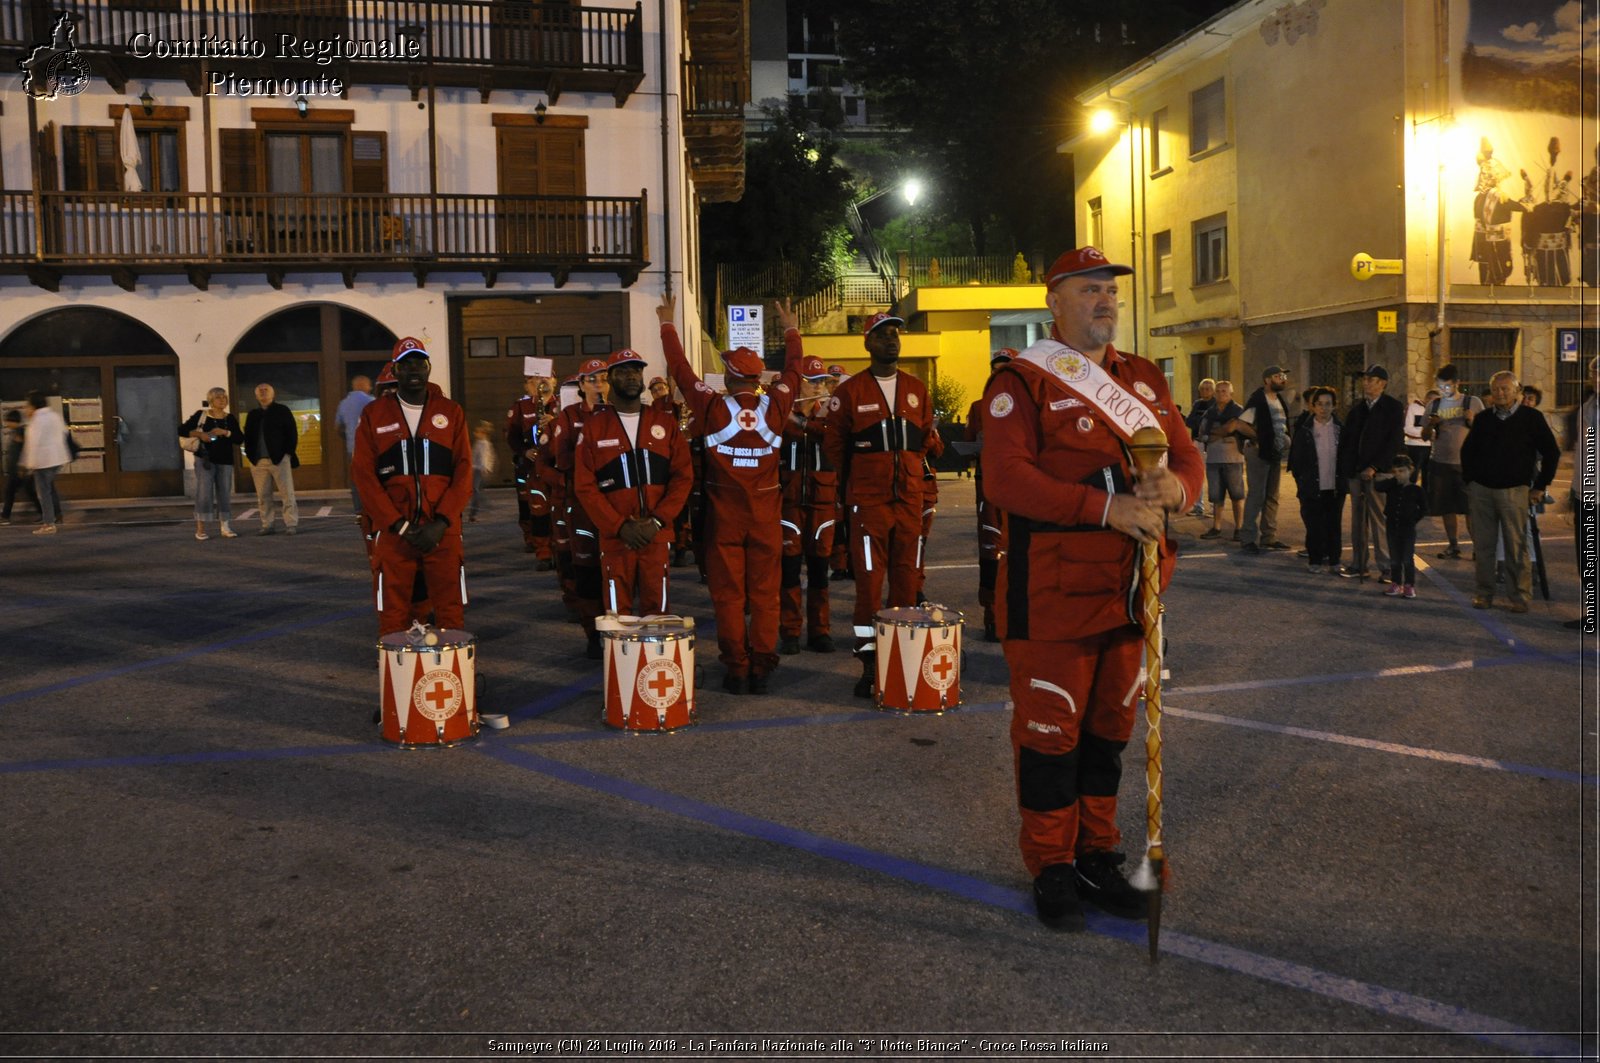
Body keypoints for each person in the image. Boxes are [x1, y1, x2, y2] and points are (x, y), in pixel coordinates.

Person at [981, 247, 1204, 931]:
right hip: (1052, 594)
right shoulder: (1022, 383)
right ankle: (1051, 864)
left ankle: (1096, 852)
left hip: (1133, 592)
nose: (1106, 301)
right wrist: (1105, 509)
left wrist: (1181, 488)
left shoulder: (1140, 377)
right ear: (1055, 300)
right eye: (1089, 290)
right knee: (1051, 732)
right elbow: (1006, 479)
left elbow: (1186, 453)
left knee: (1109, 730)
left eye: (1110, 291)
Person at [659, 294, 803, 695]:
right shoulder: (776, 403)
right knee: (765, 594)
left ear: (728, 375)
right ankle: (763, 663)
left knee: (728, 596)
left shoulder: (711, 407)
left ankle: (737, 669)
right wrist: (792, 330)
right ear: (757, 378)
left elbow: (682, 371)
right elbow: (793, 372)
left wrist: (668, 324)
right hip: (765, 517)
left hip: (723, 518)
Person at [822, 312, 937, 699]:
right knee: (869, 589)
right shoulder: (849, 393)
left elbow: (922, 441)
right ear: (867, 343)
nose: (892, 340)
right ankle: (870, 665)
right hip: (868, 506)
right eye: (883, 335)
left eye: (895, 334)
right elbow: (834, 445)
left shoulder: (917, 389)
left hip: (908, 501)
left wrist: (905, 473)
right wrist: (864, 478)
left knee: (906, 584)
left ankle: (901, 660)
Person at [351, 337, 473, 636]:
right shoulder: (374, 415)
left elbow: (463, 471)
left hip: (442, 531)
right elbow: (364, 476)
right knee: (393, 610)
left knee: (450, 608)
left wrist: (442, 521)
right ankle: (397, 673)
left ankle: (454, 675)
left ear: (429, 367)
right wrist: (397, 524)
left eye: (420, 362)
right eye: (406, 364)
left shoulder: (451, 411)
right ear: (395, 370)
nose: (414, 369)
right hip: (394, 533)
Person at [571, 348, 693, 617]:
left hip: (655, 534)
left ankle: (655, 660)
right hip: (617, 538)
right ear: (610, 378)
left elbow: (682, 477)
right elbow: (585, 486)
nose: (631, 376)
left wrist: (658, 521)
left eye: (636, 370)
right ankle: (620, 660)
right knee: (617, 613)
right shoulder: (594, 427)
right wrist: (618, 526)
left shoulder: (664, 423)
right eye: (623, 371)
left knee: (658, 612)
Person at [1459, 370, 1560, 613]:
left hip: (1515, 492)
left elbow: (1551, 452)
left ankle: (1519, 596)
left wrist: (1539, 486)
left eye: (1505, 389)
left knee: (1516, 546)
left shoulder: (1532, 418)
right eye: (1495, 389)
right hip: (1482, 491)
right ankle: (1484, 594)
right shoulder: (1483, 419)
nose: (1500, 393)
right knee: (1484, 547)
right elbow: (1467, 451)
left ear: (1517, 391)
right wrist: (1470, 481)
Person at [542, 361, 613, 657]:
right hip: (581, 506)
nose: (599, 384)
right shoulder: (569, 418)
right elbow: (560, 461)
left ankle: (618, 630)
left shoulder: (618, 414)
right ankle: (592, 633)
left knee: (616, 573)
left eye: (604, 379)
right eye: (592, 379)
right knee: (586, 571)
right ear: (581, 385)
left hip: (614, 506)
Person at [778, 356, 839, 654]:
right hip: (788, 503)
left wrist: (803, 421)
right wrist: (794, 417)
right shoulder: (779, 415)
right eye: (812, 381)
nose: (819, 387)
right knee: (788, 570)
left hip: (823, 503)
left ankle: (819, 631)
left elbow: (833, 437)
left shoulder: (831, 416)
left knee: (819, 571)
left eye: (822, 381)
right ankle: (790, 631)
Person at [966, 348, 1016, 641]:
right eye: (996, 369)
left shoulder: (1029, 405)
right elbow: (971, 442)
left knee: (1020, 552)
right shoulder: (978, 407)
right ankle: (993, 619)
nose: (1000, 375)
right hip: (987, 487)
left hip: (1020, 490)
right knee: (990, 553)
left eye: (1006, 369)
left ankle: (1017, 618)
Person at [1337, 365, 1404, 579]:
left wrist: (1374, 466)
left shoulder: (1392, 407)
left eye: (1371, 380)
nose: (1366, 383)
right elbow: (1348, 442)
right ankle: (1359, 564)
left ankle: (1387, 567)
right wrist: (1348, 469)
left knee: (1379, 521)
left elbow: (1393, 442)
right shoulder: (1357, 409)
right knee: (1358, 521)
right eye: (1365, 379)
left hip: (1379, 473)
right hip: (1356, 474)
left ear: (1382, 384)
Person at [1420, 365, 1482, 560]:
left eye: (1447, 386)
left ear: (1457, 383)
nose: (1444, 390)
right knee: (1447, 507)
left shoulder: (1472, 403)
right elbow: (1423, 436)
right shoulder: (1434, 405)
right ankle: (1453, 545)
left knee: (1471, 509)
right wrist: (1431, 424)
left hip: (1467, 465)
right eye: (1441, 386)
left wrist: (1472, 421)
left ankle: (1478, 548)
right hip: (1440, 463)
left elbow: (1485, 433)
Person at [1234, 365, 1293, 554]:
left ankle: (1269, 536)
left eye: (1283, 376)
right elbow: (1241, 424)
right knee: (1256, 496)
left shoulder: (1279, 400)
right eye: (1278, 376)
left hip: (1274, 453)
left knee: (1272, 496)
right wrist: (1259, 438)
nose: (1282, 379)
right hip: (1259, 453)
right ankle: (1248, 538)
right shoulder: (1258, 399)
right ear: (1267, 380)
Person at [1287, 386, 1344, 573]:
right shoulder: (1305, 430)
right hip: (1312, 486)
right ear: (1313, 406)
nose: (1324, 408)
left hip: (1334, 486)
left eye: (1328, 404)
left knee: (1333, 524)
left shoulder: (1340, 429)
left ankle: (1335, 560)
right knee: (1314, 526)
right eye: (1319, 404)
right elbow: (1297, 459)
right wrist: (1303, 481)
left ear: (1334, 406)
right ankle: (1315, 560)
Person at [505, 375, 557, 562]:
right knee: (535, 507)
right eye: (533, 380)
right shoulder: (522, 406)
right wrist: (524, 451)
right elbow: (512, 436)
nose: (540, 383)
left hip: (557, 467)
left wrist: (556, 420)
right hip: (532, 467)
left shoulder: (564, 405)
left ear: (554, 381)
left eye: (545, 378)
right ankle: (541, 548)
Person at [181, 387, 243, 541]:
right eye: (218, 397)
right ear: (211, 401)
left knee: (224, 493)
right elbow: (182, 429)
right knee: (204, 493)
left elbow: (239, 438)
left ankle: (225, 527)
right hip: (204, 459)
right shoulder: (201, 415)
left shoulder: (230, 418)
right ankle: (200, 529)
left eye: (224, 397)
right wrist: (200, 434)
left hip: (226, 460)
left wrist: (225, 432)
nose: (222, 400)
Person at [241, 382, 300, 536]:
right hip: (258, 461)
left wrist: (287, 453)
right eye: (260, 390)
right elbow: (248, 437)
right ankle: (267, 524)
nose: (263, 392)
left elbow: (292, 433)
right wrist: (250, 455)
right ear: (256, 395)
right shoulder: (253, 414)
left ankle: (291, 523)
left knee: (287, 493)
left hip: (279, 459)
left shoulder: (282, 411)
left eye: (266, 390)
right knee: (263, 496)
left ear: (273, 394)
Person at [1565, 356, 1597, 629]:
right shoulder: (1585, 408)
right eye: (1594, 374)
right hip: (1586, 495)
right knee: (1587, 558)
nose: (1598, 379)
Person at [1197, 380, 1246, 541]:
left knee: (1237, 496)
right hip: (1213, 459)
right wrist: (1216, 435)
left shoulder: (1238, 411)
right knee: (1216, 496)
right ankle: (1216, 527)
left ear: (1231, 393)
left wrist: (1217, 435)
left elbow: (1246, 432)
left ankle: (1239, 528)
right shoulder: (1209, 413)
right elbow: (1201, 433)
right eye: (1218, 391)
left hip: (1233, 459)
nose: (1221, 394)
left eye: (1224, 391)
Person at [1375, 454, 1427, 598]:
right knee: (1394, 558)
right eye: (1396, 472)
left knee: (1407, 558)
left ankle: (1409, 584)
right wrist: (1392, 480)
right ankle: (1396, 583)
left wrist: (1413, 519)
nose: (1399, 475)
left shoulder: (1416, 490)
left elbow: (1424, 508)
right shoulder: (1392, 486)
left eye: (1402, 471)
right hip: (1392, 525)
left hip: (1408, 528)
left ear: (1410, 470)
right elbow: (1378, 486)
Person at [19, 392, 70, 536]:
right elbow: (64, 432)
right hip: (57, 459)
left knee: (43, 493)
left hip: (42, 461)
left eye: (27, 405)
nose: (26, 409)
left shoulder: (37, 419)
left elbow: (33, 443)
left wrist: (28, 464)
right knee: (49, 489)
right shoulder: (55, 416)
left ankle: (48, 524)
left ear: (33, 405)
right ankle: (55, 516)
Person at [334, 375, 374, 517]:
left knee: (356, 480)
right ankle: (373, 508)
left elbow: (338, 427)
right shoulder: (372, 402)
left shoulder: (343, 404)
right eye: (369, 385)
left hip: (353, 449)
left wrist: (349, 438)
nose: (371, 388)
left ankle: (358, 510)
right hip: (371, 449)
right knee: (372, 479)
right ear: (365, 386)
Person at [0, 409, 40, 526]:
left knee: (10, 492)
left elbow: (25, 450)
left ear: (13, 420)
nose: (6, 423)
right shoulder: (16, 431)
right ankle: (43, 513)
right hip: (17, 470)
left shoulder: (21, 431)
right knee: (28, 492)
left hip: (20, 470)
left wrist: (23, 467)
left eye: (7, 421)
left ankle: (5, 516)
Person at [1184, 378, 1215, 517]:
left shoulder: (1215, 404)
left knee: (1212, 475)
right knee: (1198, 474)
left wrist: (1200, 422)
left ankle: (1214, 507)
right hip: (1197, 442)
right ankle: (1198, 506)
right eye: (1202, 388)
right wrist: (1201, 421)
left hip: (1211, 443)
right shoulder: (1197, 404)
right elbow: (1190, 422)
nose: (1205, 391)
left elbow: (1211, 424)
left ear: (1213, 391)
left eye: (1208, 388)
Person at [1403, 387, 1433, 486]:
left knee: (1428, 477)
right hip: (1414, 447)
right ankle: (1410, 497)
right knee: (1413, 476)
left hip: (1430, 447)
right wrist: (1426, 433)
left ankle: (1425, 499)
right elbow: (1407, 429)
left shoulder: (1434, 411)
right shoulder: (1413, 407)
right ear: (1428, 399)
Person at [469, 419, 495, 522]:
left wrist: (485, 468)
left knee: (476, 491)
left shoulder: (484, 444)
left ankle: (474, 512)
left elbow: (485, 457)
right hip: (477, 469)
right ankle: (474, 512)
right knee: (477, 491)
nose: (475, 433)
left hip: (479, 470)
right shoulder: (480, 443)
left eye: (477, 431)